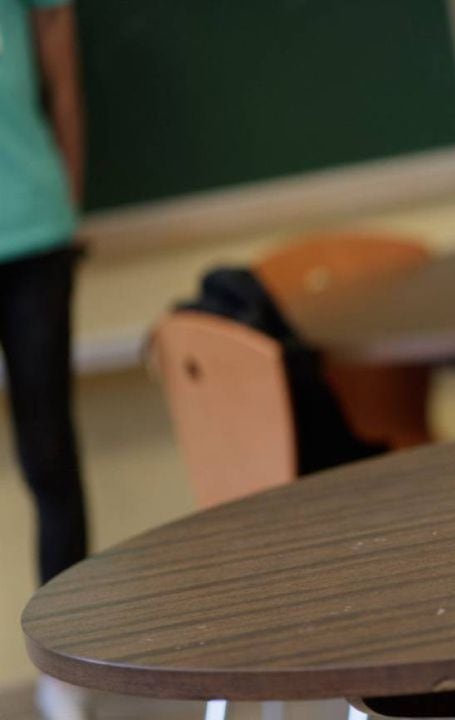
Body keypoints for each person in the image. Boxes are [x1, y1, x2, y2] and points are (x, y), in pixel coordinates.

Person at [1, 0, 87, 716]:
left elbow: (64, 89)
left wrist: (68, 208)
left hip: (34, 236)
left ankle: (67, 665)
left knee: (49, 455)